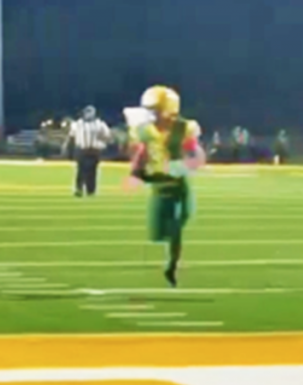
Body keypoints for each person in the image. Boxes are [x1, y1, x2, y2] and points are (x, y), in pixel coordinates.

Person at [124, 85, 205, 287]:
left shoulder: (182, 129)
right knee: (161, 231)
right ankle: (171, 260)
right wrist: (135, 173)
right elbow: (141, 152)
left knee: (180, 222)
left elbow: (196, 154)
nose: (152, 114)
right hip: (158, 182)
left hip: (177, 182)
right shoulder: (145, 130)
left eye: (156, 110)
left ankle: (172, 264)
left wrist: (185, 165)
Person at [61, 106, 110, 197]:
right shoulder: (78, 124)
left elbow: (107, 135)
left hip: (94, 150)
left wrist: (101, 144)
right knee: (81, 170)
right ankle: (79, 189)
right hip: (82, 149)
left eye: (90, 112)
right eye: (87, 112)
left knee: (92, 171)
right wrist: (67, 147)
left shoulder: (100, 124)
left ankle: (90, 191)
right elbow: (71, 136)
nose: (88, 114)